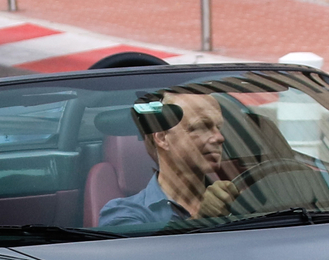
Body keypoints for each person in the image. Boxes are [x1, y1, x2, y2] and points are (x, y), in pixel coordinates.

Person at [97, 87, 251, 231]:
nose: (219, 137)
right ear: (163, 138)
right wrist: (203, 219)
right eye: (201, 126)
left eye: (219, 127)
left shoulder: (238, 199)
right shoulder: (124, 212)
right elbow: (140, 257)